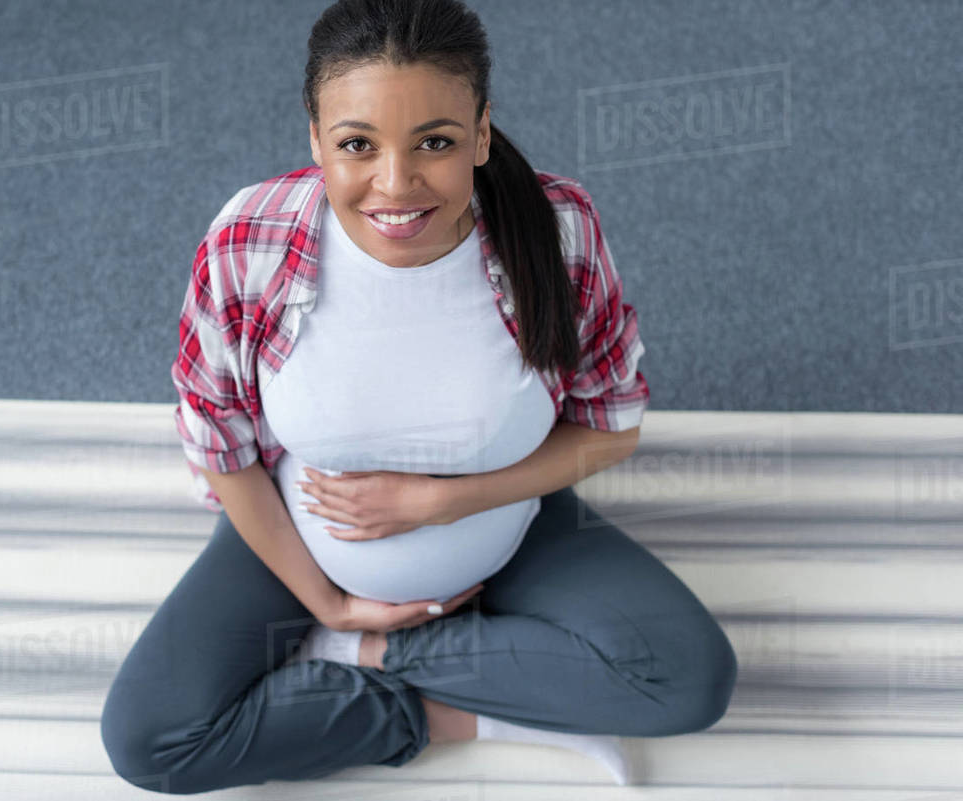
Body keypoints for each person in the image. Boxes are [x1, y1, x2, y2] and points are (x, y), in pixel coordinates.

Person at [100, 0, 737, 794]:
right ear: (314, 139)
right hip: (302, 544)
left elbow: (610, 426)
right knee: (150, 739)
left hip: (509, 533)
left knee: (688, 678)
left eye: (434, 142)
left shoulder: (560, 229)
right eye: (357, 145)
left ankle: (374, 666)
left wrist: (445, 504)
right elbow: (220, 444)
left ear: (480, 132)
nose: (395, 185)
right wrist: (327, 603)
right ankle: (450, 705)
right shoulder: (248, 240)